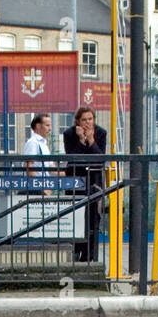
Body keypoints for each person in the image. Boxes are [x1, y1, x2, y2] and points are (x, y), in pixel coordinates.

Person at [62, 106, 107, 263]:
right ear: (78, 122)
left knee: (93, 220)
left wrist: (91, 141)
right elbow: (72, 158)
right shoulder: (69, 134)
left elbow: (100, 159)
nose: (88, 123)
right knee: (76, 218)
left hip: (94, 182)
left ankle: (90, 257)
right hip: (76, 181)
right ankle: (76, 253)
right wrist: (81, 141)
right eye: (84, 120)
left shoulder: (101, 133)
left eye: (90, 119)